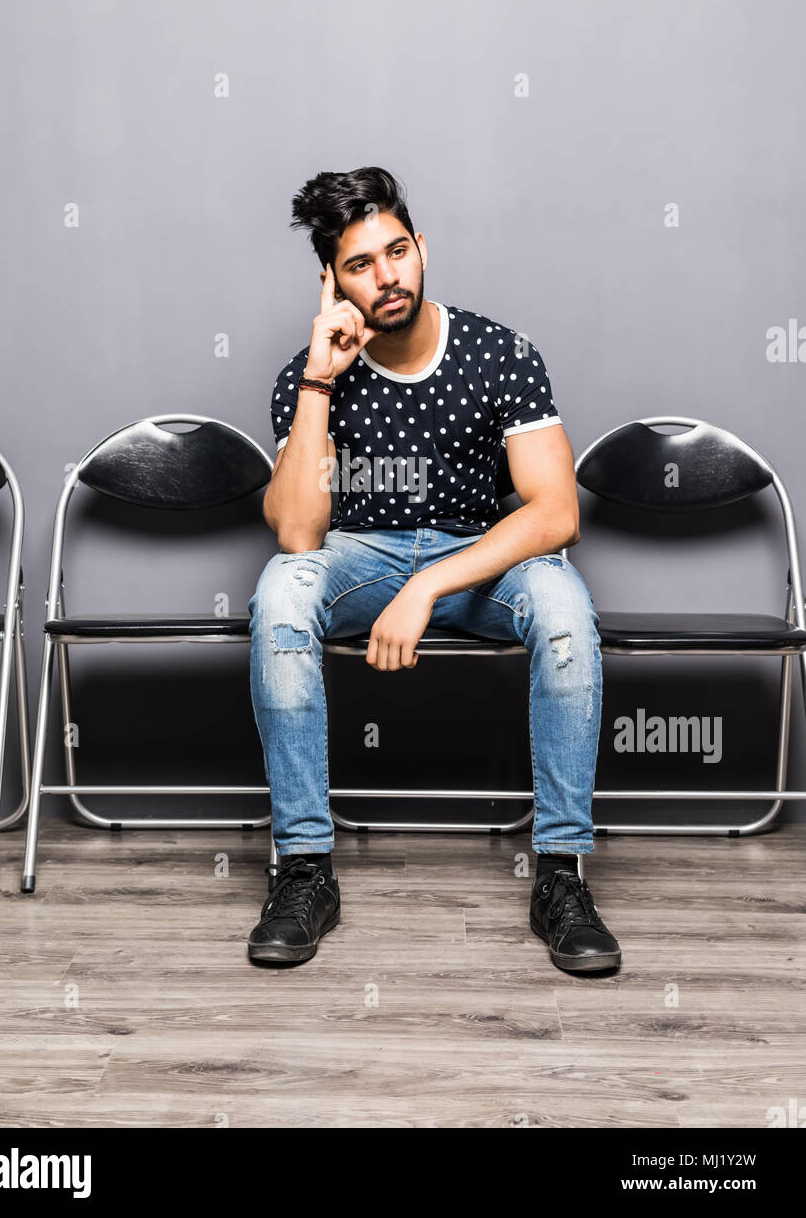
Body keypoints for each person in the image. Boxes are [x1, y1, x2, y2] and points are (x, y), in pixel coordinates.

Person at [246, 166, 620, 974]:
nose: (386, 277)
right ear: (331, 281)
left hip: (480, 561)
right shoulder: (304, 377)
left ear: (422, 248)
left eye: (397, 252)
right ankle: (305, 869)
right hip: (361, 556)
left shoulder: (500, 353)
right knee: (280, 592)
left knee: (561, 599)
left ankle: (560, 875)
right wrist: (320, 377)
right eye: (359, 264)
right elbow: (300, 534)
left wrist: (429, 585)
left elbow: (556, 513)